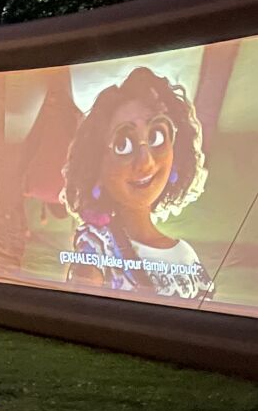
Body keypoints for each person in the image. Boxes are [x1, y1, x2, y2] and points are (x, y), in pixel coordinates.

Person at [62, 66, 213, 301]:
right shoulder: (98, 245)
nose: (146, 162)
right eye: (123, 145)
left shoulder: (187, 255)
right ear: (96, 166)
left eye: (157, 137)